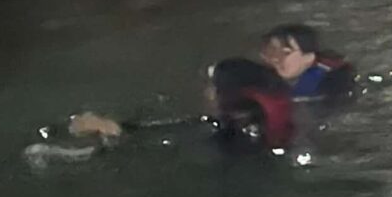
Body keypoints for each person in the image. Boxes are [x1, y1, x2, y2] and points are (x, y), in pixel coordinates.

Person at [69, 57, 295, 148]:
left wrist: (105, 126)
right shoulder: (263, 122)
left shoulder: (225, 129)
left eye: (212, 86)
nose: (206, 92)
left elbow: (162, 136)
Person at [262, 23, 353, 101]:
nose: (276, 58)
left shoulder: (333, 82)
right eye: (272, 52)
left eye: (286, 53)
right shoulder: (268, 77)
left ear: (309, 57)